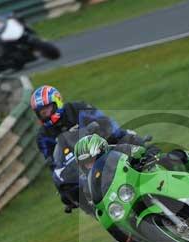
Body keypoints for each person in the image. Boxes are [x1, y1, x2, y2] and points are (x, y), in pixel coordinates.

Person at [30, 85, 151, 213]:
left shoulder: (78, 108)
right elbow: (53, 164)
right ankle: (100, 213)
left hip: (102, 148)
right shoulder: (42, 137)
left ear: (57, 101)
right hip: (79, 169)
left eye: (48, 109)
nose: (46, 114)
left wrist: (113, 134)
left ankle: (156, 164)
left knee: (134, 144)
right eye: (42, 113)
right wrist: (64, 192)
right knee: (74, 192)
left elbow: (104, 121)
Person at [73, 134, 189, 209]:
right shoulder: (90, 184)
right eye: (87, 164)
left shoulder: (119, 149)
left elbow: (139, 150)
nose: (91, 165)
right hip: (132, 195)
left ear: (102, 151)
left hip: (149, 175)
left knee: (173, 158)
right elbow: (95, 203)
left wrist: (148, 155)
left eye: (93, 159)